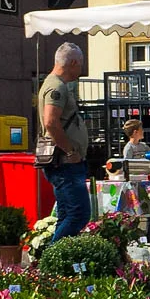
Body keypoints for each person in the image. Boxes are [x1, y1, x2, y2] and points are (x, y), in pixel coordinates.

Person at [39, 42, 92, 239]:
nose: (81, 68)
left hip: (64, 162)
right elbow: (51, 122)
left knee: (66, 215)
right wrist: (71, 151)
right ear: (73, 63)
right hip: (66, 162)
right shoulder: (56, 86)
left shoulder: (54, 83)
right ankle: (53, 257)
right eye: (81, 64)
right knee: (79, 214)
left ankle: (54, 260)